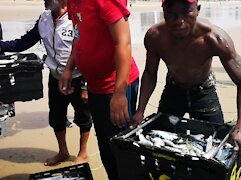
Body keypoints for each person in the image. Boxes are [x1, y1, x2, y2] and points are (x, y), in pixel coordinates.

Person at [132, 0, 241, 153]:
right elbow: (150, 73)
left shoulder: (214, 38)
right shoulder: (155, 36)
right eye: (171, 14)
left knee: (217, 143)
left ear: (198, 10)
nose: (179, 21)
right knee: (159, 142)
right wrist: (140, 110)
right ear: (164, 12)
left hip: (204, 91)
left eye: (186, 12)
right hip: (173, 90)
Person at [0, 0, 92, 166]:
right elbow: (23, 43)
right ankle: (63, 151)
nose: (45, 0)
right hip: (55, 78)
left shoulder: (77, 18)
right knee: (57, 117)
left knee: (84, 117)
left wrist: (85, 85)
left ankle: (83, 152)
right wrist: (1, 46)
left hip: (78, 78)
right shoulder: (44, 19)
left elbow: (87, 50)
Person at [59, 0, 139, 179]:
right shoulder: (73, 2)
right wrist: (69, 69)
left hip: (116, 86)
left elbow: (123, 43)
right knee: (105, 145)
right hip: (96, 87)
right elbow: (78, 36)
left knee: (121, 147)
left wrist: (119, 94)